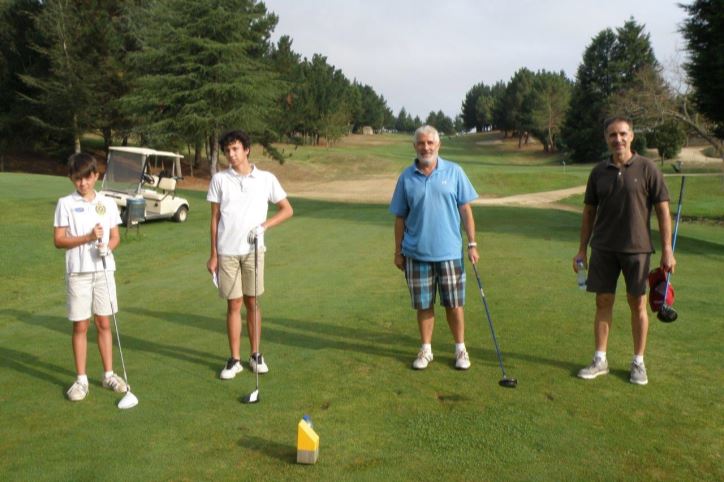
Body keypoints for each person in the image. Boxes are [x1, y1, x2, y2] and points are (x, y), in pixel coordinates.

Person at [574, 116, 675, 385]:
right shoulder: (598, 172)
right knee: (603, 302)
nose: (617, 139)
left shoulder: (647, 168)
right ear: (606, 139)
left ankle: (638, 363)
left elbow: (663, 210)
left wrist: (667, 249)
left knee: (637, 304)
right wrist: (582, 249)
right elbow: (588, 212)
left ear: (631, 136)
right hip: (604, 248)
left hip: (637, 250)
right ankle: (600, 359)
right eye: (612, 135)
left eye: (622, 134)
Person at [390, 125, 479, 370]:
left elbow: (465, 210)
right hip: (416, 254)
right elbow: (399, 217)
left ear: (438, 145)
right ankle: (426, 350)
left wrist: (472, 244)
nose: (426, 147)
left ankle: (460, 349)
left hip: (449, 252)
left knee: (454, 304)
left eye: (430, 143)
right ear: (414, 146)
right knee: (424, 304)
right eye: (421, 143)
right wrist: (398, 252)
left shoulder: (455, 171)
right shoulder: (406, 177)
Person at [207, 129, 293, 379]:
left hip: (254, 250)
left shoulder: (266, 179)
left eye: (235, 149)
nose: (231, 154)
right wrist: (213, 254)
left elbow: (286, 210)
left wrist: (264, 226)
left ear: (246, 150)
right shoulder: (219, 180)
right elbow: (214, 219)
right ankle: (234, 359)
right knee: (233, 304)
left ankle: (255, 354)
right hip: (227, 251)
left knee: (252, 302)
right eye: (227, 150)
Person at [53, 152, 127, 401]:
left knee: (104, 323)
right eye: (77, 179)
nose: (82, 183)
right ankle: (81, 380)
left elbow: (115, 236)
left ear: (96, 176)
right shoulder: (65, 203)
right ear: (71, 179)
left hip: (104, 270)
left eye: (87, 177)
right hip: (78, 272)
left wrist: (108, 246)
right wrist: (87, 237)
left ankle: (108, 375)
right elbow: (59, 240)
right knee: (81, 325)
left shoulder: (107, 202)